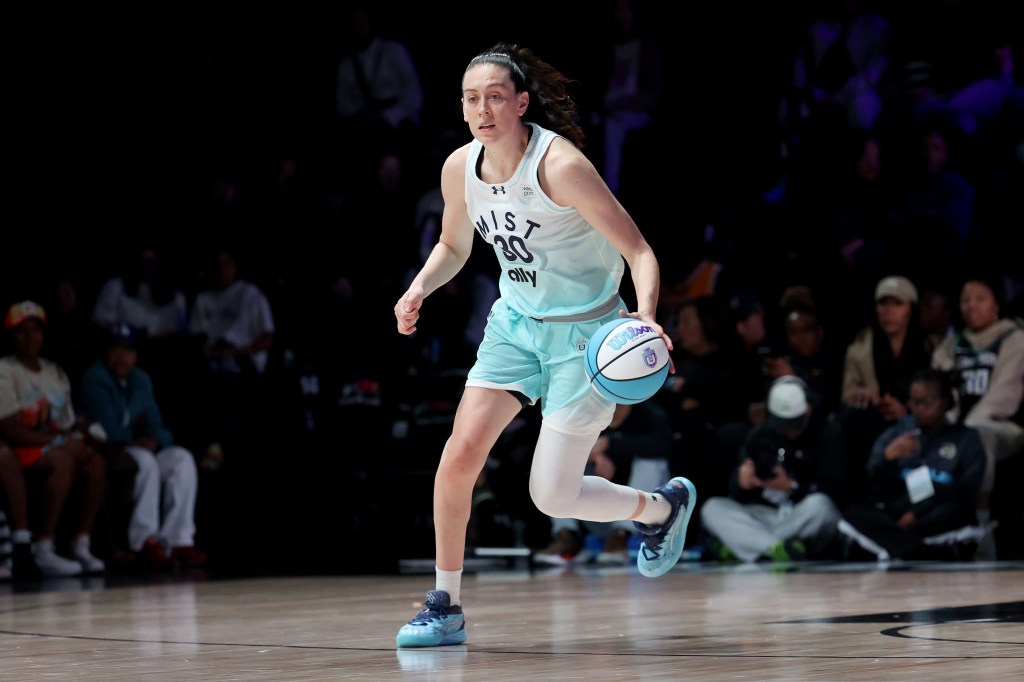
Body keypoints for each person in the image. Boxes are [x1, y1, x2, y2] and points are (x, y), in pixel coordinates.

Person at [392, 43, 695, 648]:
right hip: (515, 326)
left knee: (550, 493)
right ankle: (444, 604)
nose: (483, 109)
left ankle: (660, 509)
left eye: (495, 97)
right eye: (471, 99)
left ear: (521, 102)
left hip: (587, 336)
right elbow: (455, 247)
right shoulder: (460, 168)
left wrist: (646, 317)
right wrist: (420, 287)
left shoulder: (561, 166)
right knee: (457, 458)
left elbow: (639, 252)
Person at [79, 324, 207, 570]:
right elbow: (109, 431)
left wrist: (156, 440)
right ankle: (145, 541)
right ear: (105, 352)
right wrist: (139, 441)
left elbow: (156, 424)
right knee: (145, 462)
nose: (121, 356)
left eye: (128, 350)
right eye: (115, 349)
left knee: (181, 458)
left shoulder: (141, 379)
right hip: (108, 452)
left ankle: (178, 540)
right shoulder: (95, 378)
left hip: (136, 447)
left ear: (136, 355)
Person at [0, 301, 107, 576]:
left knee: (95, 462)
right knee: (64, 459)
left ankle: (81, 543)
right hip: (20, 448)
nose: (30, 337)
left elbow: (65, 421)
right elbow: (8, 428)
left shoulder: (54, 371)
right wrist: (58, 441)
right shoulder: (5, 369)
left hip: (53, 443)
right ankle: (43, 545)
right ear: (12, 335)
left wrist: (79, 432)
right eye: (22, 331)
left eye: (36, 330)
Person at [840, 368, 986, 561]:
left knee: (957, 511)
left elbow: (966, 491)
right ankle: (918, 551)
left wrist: (916, 514)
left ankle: (893, 545)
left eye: (925, 402)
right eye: (913, 402)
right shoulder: (897, 434)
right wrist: (887, 460)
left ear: (945, 401)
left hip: (935, 513)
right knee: (853, 513)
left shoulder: (966, 439)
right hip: (899, 512)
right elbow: (877, 490)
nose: (918, 409)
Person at [699, 376, 845, 563]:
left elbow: (836, 490)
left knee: (821, 505)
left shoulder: (829, 433)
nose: (789, 432)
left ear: (808, 410)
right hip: (764, 514)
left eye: (795, 424)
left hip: (801, 515)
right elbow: (735, 494)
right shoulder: (760, 435)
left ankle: (747, 546)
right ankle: (777, 548)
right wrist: (743, 483)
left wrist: (792, 486)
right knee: (712, 507)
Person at [931, 275, 1024, 557]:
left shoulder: (1014, 337)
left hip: (1003, 427)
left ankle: (981, 524)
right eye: (965, 300)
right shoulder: (953, 344)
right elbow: (938, 385)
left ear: (996, 304)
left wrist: (965, 430)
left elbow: (1004, 393)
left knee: (978, 436)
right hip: (958, 426)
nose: (971, 306)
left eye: (980, 299)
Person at [835, 275, 934, 505]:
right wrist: (864, 393)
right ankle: (856, 503)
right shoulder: (859, 347)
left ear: (911, 308)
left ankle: (917, 508)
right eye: (883, 304)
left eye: (896, 304)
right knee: (847, 422)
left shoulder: (931, 347)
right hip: (873, 421)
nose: (888, 311)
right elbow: (846, 393)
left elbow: (938, 398)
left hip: (914, 423)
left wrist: (908, 410)